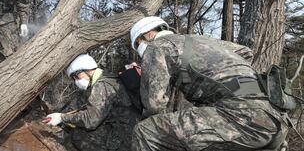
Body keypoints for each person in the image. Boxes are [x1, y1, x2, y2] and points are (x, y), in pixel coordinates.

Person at [129, 16, 289, 151]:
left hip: (243, 120)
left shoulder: (157, 46)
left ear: (149, 34)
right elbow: (245, 51)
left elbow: (154, 104)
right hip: (275, 119)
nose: (139, 49)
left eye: (138, 44)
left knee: (146, 131)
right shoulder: (202, 40)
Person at [44, 54, 140, 151]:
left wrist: (62, 118)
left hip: (126, 136)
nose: (76, 81)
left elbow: (91, 120)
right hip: (130, 129)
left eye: (76, 76)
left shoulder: (102, 85)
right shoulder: (109, 77)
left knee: (79, 134)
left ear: (86, 69)